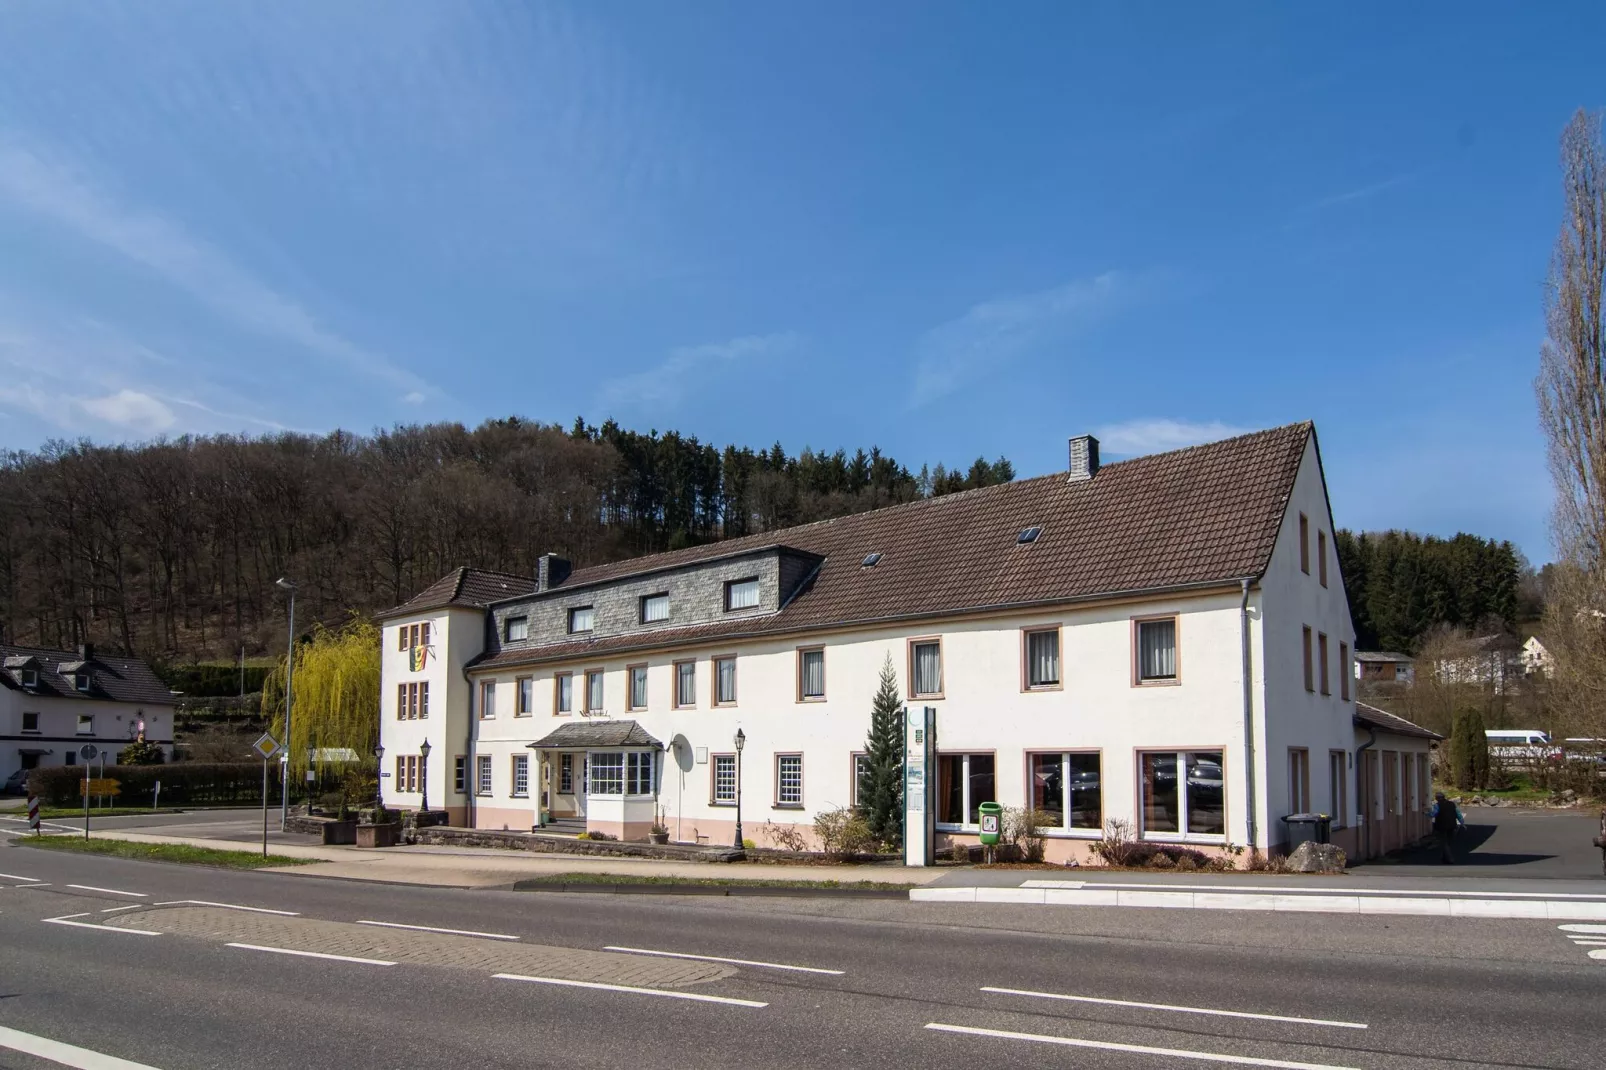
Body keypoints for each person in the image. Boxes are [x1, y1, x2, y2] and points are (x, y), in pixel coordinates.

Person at [1429, 791, 1464, 864]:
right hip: (1452, 825)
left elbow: (1433, 814)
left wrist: (1426, 813)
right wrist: (1462, 823)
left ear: (1437, 798)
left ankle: (1450, 859)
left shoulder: (1437, 805)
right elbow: (1458, 814)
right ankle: (1444, 858)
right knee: (1449, 842)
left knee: (1444, 842)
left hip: (1441, 825)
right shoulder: (1452, 804)